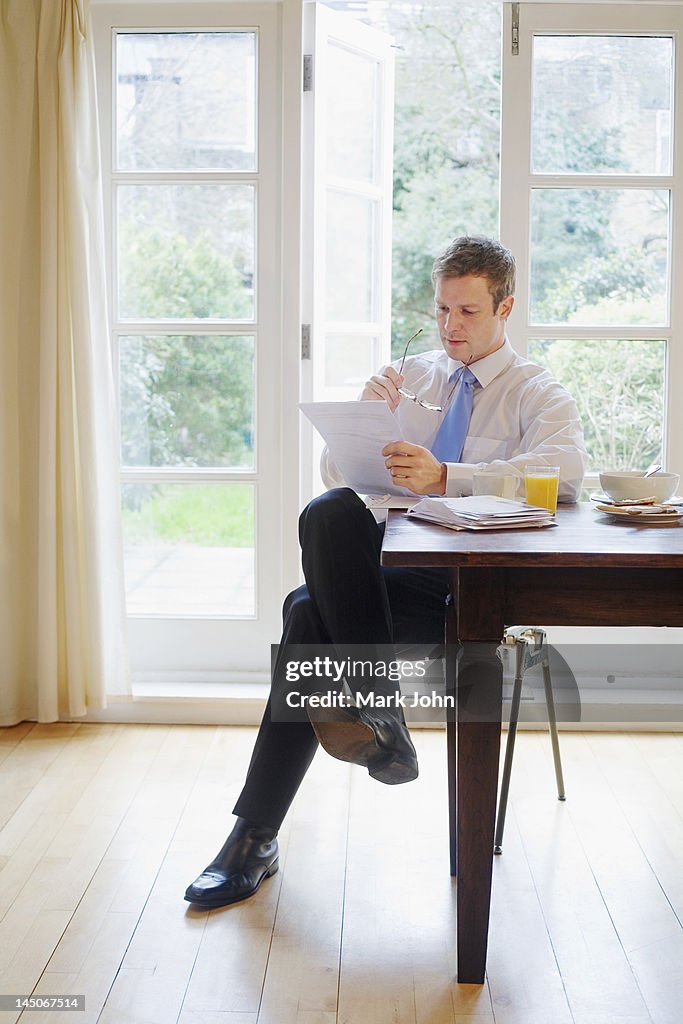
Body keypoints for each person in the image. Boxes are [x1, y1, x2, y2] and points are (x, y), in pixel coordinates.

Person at [184, 235, 586, 909]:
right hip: (387, 572)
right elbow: (344, 477)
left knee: (305, 615)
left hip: (467, 585)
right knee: (328, 508)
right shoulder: (413, 377)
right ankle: (381, 713)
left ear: (503, 306)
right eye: (441, 311)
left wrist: (449, 475)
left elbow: (566, 476)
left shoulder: (536, 391)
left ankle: (253, 838)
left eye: (466, 312)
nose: (450, 327)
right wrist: (368, 421)